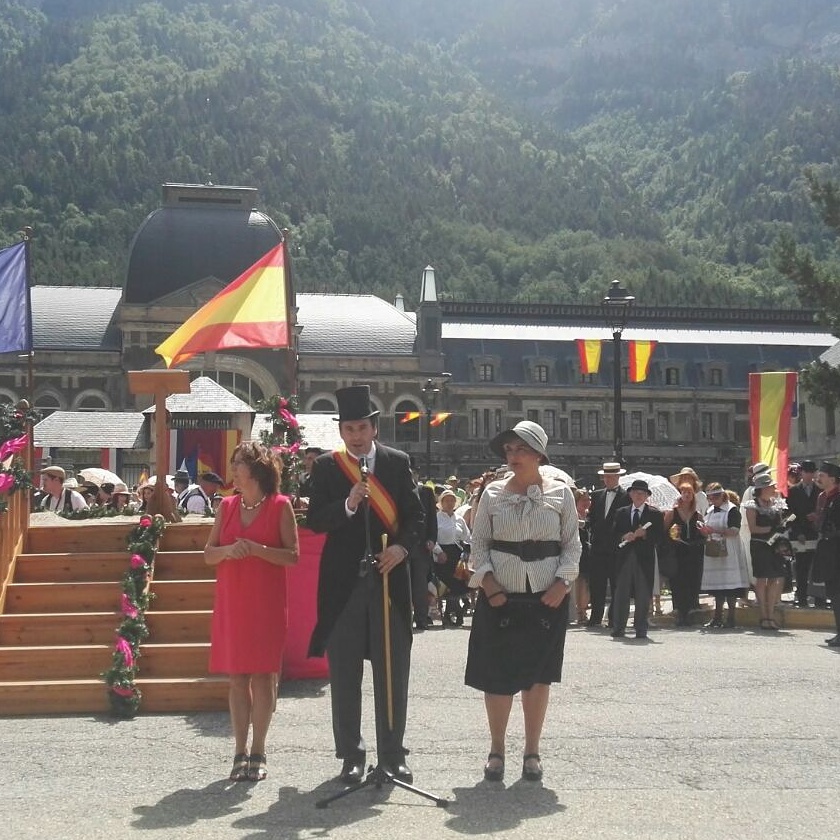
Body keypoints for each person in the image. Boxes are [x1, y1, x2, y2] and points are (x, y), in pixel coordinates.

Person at [306, 385, 424, 785]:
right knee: (345, 673)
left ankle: (393, 753)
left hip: (390, 581)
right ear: (341, 431)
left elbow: (416, 517)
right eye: (348, 428)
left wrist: (402, 550)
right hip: (344, 585)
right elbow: (315, 521)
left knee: (393, 671)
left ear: (374, 428)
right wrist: (348, 504)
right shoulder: (327, 467)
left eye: (362, 427)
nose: (355, 435)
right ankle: (351, 755)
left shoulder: (396, 462)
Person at [465, 420, 580, 783]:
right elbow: (478, 544)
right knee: (496, 677)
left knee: (538, 678)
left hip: (547, 599)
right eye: (509, 450)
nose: (513, 456)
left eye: (522, 450)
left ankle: (532, 751)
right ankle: (496, 749)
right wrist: (489, 584)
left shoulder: (562, 494)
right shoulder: (491, 494)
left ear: (539, 455)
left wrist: (563, 584)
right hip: (499, 597)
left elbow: (572, 544)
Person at [204, 441, 299, 782]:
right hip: (234, 600)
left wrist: (258, 549)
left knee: (263, 676)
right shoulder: (226, 506)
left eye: (237, 465)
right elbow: (208, 554)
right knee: (237, 677)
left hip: (266, 602)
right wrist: (229, 550)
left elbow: (292, 555)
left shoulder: (280, 506)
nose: (233, 472)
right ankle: (239, 751)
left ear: (256, 470)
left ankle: (259, 749)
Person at [610, 479, 665, 640]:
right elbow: (612, 535)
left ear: (647, 496)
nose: (639, 496)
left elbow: (660, 537)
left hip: (644, 559)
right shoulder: (621, 512)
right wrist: (623, 536)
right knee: (621, 593)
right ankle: (619, 627)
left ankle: (641, 628)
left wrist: (645, 534)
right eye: (635, 492)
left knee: (643, 594)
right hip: (624, 558)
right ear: (630, 494)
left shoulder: (654, 514)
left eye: (642, 493)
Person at [698, 483, 750, 628]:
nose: (712, 500)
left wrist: (714, 530)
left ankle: (731, 617)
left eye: (715, 497)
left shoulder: (732, 510)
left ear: (722, 495)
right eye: (710, 497)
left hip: (729, 552)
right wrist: (705, 531)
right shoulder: (710, 511)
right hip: (714, 550)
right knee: (717, 587)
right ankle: (717, 616)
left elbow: (734, 531)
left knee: (730, 586)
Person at [586, 462, 628, 628]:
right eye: (606, 476)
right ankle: (596, 616)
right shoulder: (597, 495)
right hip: (598, 547)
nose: (608, 479)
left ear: (618, 477)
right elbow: (593, 517)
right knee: (597, 584)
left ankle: (613, 617)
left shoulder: (626, 496)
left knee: (616, 583)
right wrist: (586, 523)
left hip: (616, 547)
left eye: (611, 476)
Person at [745, 473, 787, 630]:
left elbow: (781, 524)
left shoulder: (777, 504)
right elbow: (753, 528)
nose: (774, 488)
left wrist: (782, 528)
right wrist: (771, 529)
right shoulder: (752, 505)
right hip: (760, 545)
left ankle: (771, 615)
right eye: (771, 486)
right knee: (762, 580)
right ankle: (763, 615)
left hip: (775, 546)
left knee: (775, 579)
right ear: (762, 488)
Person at [663, 482, 706, 626]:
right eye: (684, 492)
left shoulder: (697, 514)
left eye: (689, 493)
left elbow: (702, 533)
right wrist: (672, 536)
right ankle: (679, 612)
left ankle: (689, 612)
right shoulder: (672, 512)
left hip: (693, 552)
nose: (686, 495)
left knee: (691, 581)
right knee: (678, 582)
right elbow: (664, 531)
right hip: (677, 552)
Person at [786, 459, 822, 608]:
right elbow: (790, 514)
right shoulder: (793, 491)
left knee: (818, 567)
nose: (809, 475)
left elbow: (823, 510)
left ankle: (819, 597)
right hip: (799, 534)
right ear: (801, 473)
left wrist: (817, 516)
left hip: (815, 533)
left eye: (811, 472)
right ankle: (801, 597)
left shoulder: (820, 491)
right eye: (806, 472)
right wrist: (797, 530)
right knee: (801, 567)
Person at [433, 489, 471, 626]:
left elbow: (467, 537)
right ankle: (456, 611)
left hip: (457, 554)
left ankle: (451, 611)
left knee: (458, 583)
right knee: (448, 583)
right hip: (442, 554)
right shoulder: (436, 518)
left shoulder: (459, 519)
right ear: (441, 503)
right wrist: (438, 551)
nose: (450, 503)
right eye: (446, 500)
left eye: (452, 500)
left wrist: (469, 548)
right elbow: (431, 538)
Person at [812, 462, 840, 645]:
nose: (818, 478)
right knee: (835, 592)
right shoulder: (825, 497)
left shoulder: (837, 497)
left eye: (821, 475)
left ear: (832, 478)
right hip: (829, 550)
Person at [409, 459, 438, 630]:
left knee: (420, 585)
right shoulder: (399, 490)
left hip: (421, 547)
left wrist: (432, 539)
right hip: (404, 546)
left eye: (413, 472)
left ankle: (421, 618)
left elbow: (432, 519)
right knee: (403, 585)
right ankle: (404, 619)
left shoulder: (426, 492)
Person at [573, 487, 592, 625]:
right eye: (584, 500)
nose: (587, 502)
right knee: (579, 583)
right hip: (578, 552)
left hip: (591, 552)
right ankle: (580, 612)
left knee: (586, 583)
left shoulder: (591, 514)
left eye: (588, 499)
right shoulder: (573, 515)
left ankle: (584, 610)